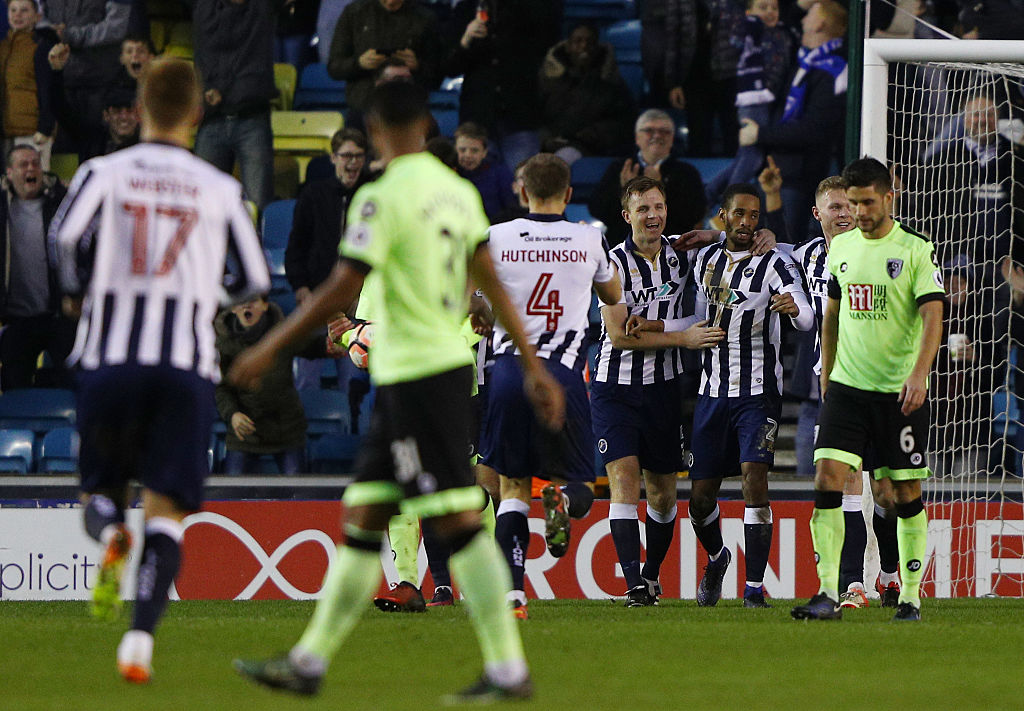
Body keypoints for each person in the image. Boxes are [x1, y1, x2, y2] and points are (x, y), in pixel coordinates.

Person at [231, 81, 563, 702]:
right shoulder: (460, 195)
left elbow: (338, 289)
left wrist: (270, 346)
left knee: (460, 522)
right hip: (432, 373)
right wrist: (533, 363)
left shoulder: (379, 198)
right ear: (424, 125)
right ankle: (310, 661)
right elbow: (486, 279)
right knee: (364, 518)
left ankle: (508, 668)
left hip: (416, 379)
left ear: (378, 132)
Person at [48, 57, 270, 683]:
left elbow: (63, 239)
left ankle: (111, 527)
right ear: (197, 114)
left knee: (100, 490)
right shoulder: (219, 188)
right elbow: (255, 277)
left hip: (110, 356)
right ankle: (139, 641)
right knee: (168, 513)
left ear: (140, 108)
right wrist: (206, 293)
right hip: (183, 365)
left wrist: (77, 294)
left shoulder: (103, 170)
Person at [791, 157, 944, 622]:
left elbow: (933, 315)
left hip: (898, 392)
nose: (857, 211)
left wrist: (919, 373)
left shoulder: (915, 249)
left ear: (888, 198)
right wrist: (828, 372)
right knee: (827, 479)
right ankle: (829, 593)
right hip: (848, 388)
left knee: (900, 493)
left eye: (866, 202)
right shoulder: (842, 250)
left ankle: (912, 596)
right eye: (852, 203)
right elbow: (832, 314)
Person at [481, 152, 620, 620]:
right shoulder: (589, 238)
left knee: (511, 486)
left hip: (506, 372)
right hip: (561, 373)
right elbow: (613, 295)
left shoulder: (495, 238)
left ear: (522, 191)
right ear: (569, 193)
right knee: (579, 481)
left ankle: (514, 596)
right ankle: (561, 500)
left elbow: (473, 304)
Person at [591, 176, 725, 607]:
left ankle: (651, 576)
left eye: (659, 207)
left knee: (664, 492)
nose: (653, 215)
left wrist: (717, 233)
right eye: (643, 209)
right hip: (616, 388)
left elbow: (750, 242)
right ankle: (633, 584)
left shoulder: (683, 256)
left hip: (664, 390)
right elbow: (619, 336)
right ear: (626, 216)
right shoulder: (610, 264)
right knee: (624, 480)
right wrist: (683, 340)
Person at [686, 183, 813, 608]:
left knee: (753, 479)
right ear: (723, 216)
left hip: (757, 392)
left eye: (754, 215)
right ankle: (718, 556)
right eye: (739, 214)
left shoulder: (775, 263)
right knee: (700, 499)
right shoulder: (704, 258)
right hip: (710, 392)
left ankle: (754, 589)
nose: (746, 223)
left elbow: (807, 315)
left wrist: (795, 310)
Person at [786, 174, 895, 608]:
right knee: (846, 481)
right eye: (834, 206)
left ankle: (887, 574)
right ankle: (852, 584)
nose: (844, 212)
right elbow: (758, 247)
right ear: (818, 214)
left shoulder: (882, 252)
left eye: (849, 204)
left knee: (885, 488)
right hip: (835, 383)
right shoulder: (806, 256)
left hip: (881, 380)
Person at [738, 0, 848, 242]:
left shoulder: (834, 71)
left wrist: (761, 134)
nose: (802, 20)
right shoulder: (804, 60)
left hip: (797, 178)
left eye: (809, 15)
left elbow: (814, 129)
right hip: (775, 168)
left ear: (820, 23)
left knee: (783, 247)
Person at [286, 127, 370, 391]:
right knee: (306, 382)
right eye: (346, 155)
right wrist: (301, 288)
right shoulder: (313, 195)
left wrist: (362, 299)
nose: (352, 162)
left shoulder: (373, 198)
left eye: (357, 156)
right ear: (333, 158)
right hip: (316, 302)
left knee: (353, 381)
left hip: (356, 308)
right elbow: (295, 247)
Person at [215, 295, 333, 475]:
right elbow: (220, 387)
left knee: (297, 498)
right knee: (230, 497)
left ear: (265, 306)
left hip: (287, 431)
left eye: (253, 301)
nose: (247, 305)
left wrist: (330, 344)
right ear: (232, 308)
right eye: (241, 302)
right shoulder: (222, 342)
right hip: (244, 434)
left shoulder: (282, 332)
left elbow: (311, 344)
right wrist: (232, 415)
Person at [442, 0, 561, 170]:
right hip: (478, 116)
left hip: (520, 114)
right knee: (479, 186)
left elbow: (547, 42)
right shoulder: (467, 8)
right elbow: (450, 67)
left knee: (523, 185)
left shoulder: (533, 8)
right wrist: (466, 39)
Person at [704, 0, 794, 206]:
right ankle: (729, 203)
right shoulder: (751, 31)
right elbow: (734, 42)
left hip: (760, 101)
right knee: (752, 158)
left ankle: (709, 195)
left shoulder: (778, 32)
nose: (770, 12)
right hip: (754, 102)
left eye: (774, 7)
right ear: (749, 12)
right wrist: (749, 23)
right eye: (763, 8)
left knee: (746, 156)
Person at [190, 0, 278, 210]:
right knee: (201, 201)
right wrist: (206, 91)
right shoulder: (203, 7)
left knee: (258, 203)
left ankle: (256, 243)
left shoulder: (262, 8)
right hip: (212, 119)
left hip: (252, 119)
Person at [0, 144, 75, 389]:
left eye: (35, 163)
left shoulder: (60, 202)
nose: (31, 168)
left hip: (56, 316)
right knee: (14, 389)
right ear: (9, 173)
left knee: (73, 383)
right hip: (16, 320)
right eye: (24, 164)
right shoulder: (2, 209)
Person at [588, 109, 706, 247]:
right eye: (649, 130)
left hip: (671, 251)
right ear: (637, 138)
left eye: (664, 132)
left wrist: (660, 189)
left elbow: (693, 216)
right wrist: (624, 191)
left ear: (672, 139)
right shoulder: (620, 168)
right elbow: (598, 210)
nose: (657, 136)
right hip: (622, 250)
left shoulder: (687, 172)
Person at [43, 0, 131, 160]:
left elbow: (117, 27)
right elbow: (35, 14)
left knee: (97, 150)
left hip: (101, 83)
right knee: (59, 153)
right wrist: (50, 31)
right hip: (60, 80)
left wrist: (71, 35)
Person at [537, 21, 633, 164]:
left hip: (587, 148)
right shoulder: (549, 79)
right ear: (568, 46)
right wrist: (546, 139)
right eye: (578, 41)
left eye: (590, 42)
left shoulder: (611, 82)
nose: (584, 46)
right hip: (545, 144)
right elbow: (533, 115)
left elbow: (624, 122)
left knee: (559, 164)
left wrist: (588, 136)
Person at [327, 0, 441, 117]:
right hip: (363, 105)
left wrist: (417, 65)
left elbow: (438, 71)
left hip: (409, 107)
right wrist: (359, 63)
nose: (390, 2)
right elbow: (334, 67)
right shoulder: (355, 13)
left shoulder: (425, 18)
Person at [0, 0, 58, 171]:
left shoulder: (42, 46)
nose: (17, 15)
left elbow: (49, 89)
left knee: (34, 185)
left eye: (24, 10)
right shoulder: (3, 48)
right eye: (13, 10)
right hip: (5, 133)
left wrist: (45, 128)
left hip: (33, 134)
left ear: (37, 16)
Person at [454, 121, 515, 224]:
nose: (468, 155)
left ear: (484, 152)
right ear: (455, 149)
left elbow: (511, 209)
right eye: (462, 150)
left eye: (474, 151)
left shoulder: (500, 174)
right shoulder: (448, 174)